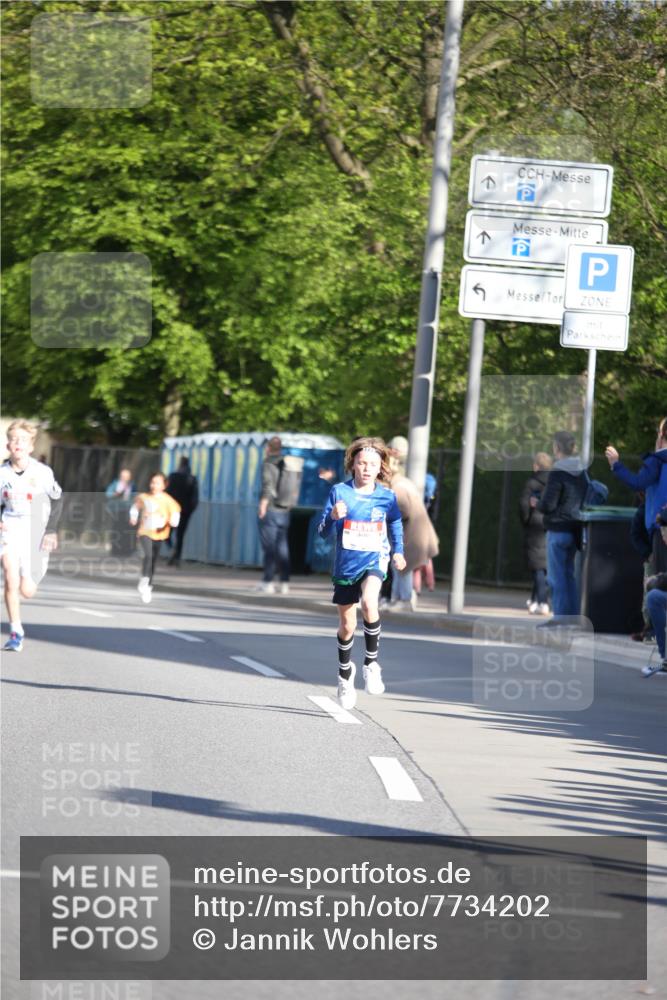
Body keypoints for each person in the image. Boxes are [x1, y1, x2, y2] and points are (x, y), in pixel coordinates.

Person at [318, 437, 406, 709]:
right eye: (362, 463)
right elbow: (322, 532)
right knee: (347, 626)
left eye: (373, 464)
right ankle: (345, 676)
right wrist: (333, 516)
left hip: (374, 560)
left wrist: (398, 551)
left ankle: (371, 664)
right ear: (353, 464)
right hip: (346, 565)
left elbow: (395, 524)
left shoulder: (386, 496)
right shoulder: (339, 493)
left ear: (381, 467)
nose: (367, 468)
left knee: (369, 602)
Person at [1, 420, 62, 652]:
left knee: (27, 589)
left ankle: (32, 577)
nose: (18, 443)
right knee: (10, 576)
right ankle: (16, 631)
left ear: (31, 446)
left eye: (23, 440)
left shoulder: (42, 472)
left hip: (36, 528)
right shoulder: (2, 474)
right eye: (14, 439)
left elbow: (57, 500)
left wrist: (51, 530)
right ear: (8, 444)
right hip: (10, 528)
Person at [605, 417, 667, 575]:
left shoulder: (658, 460)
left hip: (661, 530)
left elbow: (638, 482)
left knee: (660, 585)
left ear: (661, 435)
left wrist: (616, 465)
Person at [537, 431, 588, 620]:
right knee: (569, 576)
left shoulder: (558, 471)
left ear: (556, 447)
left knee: (556, 578)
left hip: (557, 529)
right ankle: (573, 618)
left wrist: (538, 504)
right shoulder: (581, 470)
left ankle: (559, 618)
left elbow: (549, 504)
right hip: (575, 529)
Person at [387, 449, 439, 611]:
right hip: (414, 533)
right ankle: (397, 599)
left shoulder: (398, 488)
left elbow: (403, 511)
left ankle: (405, 599)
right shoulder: (403, 483)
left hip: (412, 535)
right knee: (400, 567)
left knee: (403, 567)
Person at [257, 436, 302, 595]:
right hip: (285, 510)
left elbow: (268, 486)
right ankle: (284, 582)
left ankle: (267, 581)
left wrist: (263, 505)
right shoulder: (286, 463)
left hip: (271, 510)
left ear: (268, 448)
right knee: (283, 547)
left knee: (269, 547)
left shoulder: (269, 463)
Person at [129, 473, 180, 604]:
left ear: (164, 485)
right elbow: (135, 507)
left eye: (157, 483)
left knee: (153, 560)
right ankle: (144, 580)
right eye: (152, 482)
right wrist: (133, 517)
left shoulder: (168, 500)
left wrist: (173, 521)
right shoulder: (144, 497)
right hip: (145, 532)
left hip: (160, 533)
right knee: (148, 554)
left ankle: (148, 586)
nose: (153, 485)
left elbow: (175, 513)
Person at [518, 452, 552, 615]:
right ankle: (534, 600)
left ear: (536, 466)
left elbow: (524, 506)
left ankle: (543, 602)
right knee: (543, 566)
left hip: (535, 525)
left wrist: (526, 519)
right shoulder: (554, 483)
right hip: (551, 525)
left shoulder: (532, 483)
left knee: (538, 567)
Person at [165, 457, 199, 566]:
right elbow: (195, 497)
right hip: (185, 511)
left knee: (167, 533)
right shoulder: (192, 478)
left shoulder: (173, 476)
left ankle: (171, 550)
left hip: (172, 510)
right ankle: (177, 557)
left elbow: (167, 493)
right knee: (180, 536)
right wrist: (190, 510)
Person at [105, 467, 135, 556]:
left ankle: (125, 550)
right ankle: (115, 550)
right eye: (123, 476)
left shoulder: (132, 486)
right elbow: (108, 494)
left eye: (127, 476)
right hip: (115, 510)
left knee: (126, 530)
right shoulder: (115, 484)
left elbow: (134, 496)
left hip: (127, 510)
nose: (125, 478)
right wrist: (116, 494)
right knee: (116, 530)